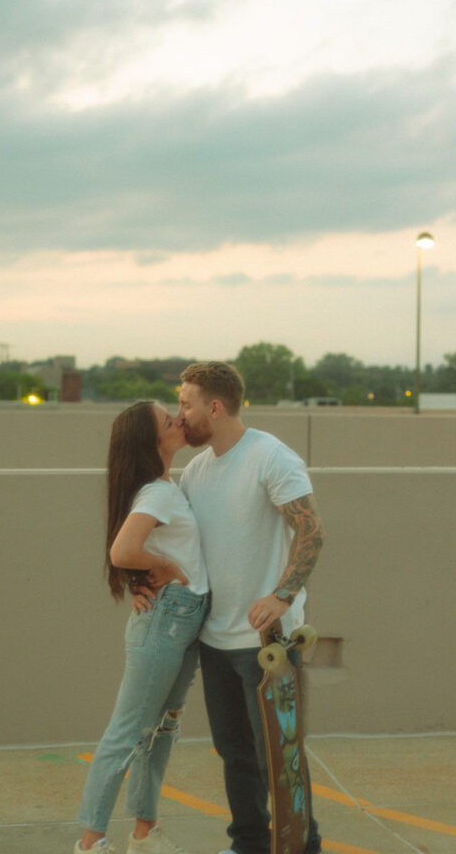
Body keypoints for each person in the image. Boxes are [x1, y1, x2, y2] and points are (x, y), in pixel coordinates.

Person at [146, 361, 325, 854]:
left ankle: (302, 848)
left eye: (185, 403)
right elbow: (178, 548)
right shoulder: (197, 472)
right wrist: (143, 580)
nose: (180, 415)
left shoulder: (271, 457)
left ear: (215, 407)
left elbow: (312, 532)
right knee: (234, 754)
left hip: (269, 643)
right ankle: (247, 842)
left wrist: (281, 595)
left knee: (280, 757)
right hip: (214, 639)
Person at [75, 399, 210, 854]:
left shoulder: (166, 487)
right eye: (169, 421)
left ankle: (145, 834)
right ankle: (92, 842)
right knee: (129, 732)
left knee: (161, 728)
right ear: (151, 442)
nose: (179, 421)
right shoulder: (158, 493)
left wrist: (157, 569)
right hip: (167, 622)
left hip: (182, 621)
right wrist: (164, 567)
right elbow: (122, 551)